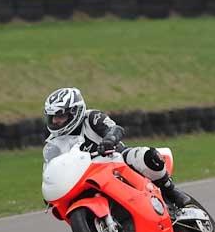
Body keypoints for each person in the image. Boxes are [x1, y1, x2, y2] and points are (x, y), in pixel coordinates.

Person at [42, 87, 191, 210]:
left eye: (60, 116)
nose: (55, 121)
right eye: (52, 117)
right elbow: (51, 169)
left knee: (146, 155)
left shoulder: (92, 117)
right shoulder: (53, 144)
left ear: (75, 111)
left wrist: (109, 140)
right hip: (86, 178)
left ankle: (171, 191)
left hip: (116, 159)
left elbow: (115, 129)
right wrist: (51, 189)